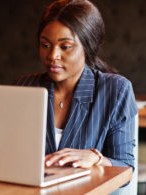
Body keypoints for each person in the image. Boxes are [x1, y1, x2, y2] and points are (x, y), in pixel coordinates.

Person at [15, 0, 137, 170]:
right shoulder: (24, 87)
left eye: (65, 47)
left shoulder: (115, 90)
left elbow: (125, 166)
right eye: (45, 45)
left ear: (88, 47)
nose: (53, 56)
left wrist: (96, 158)